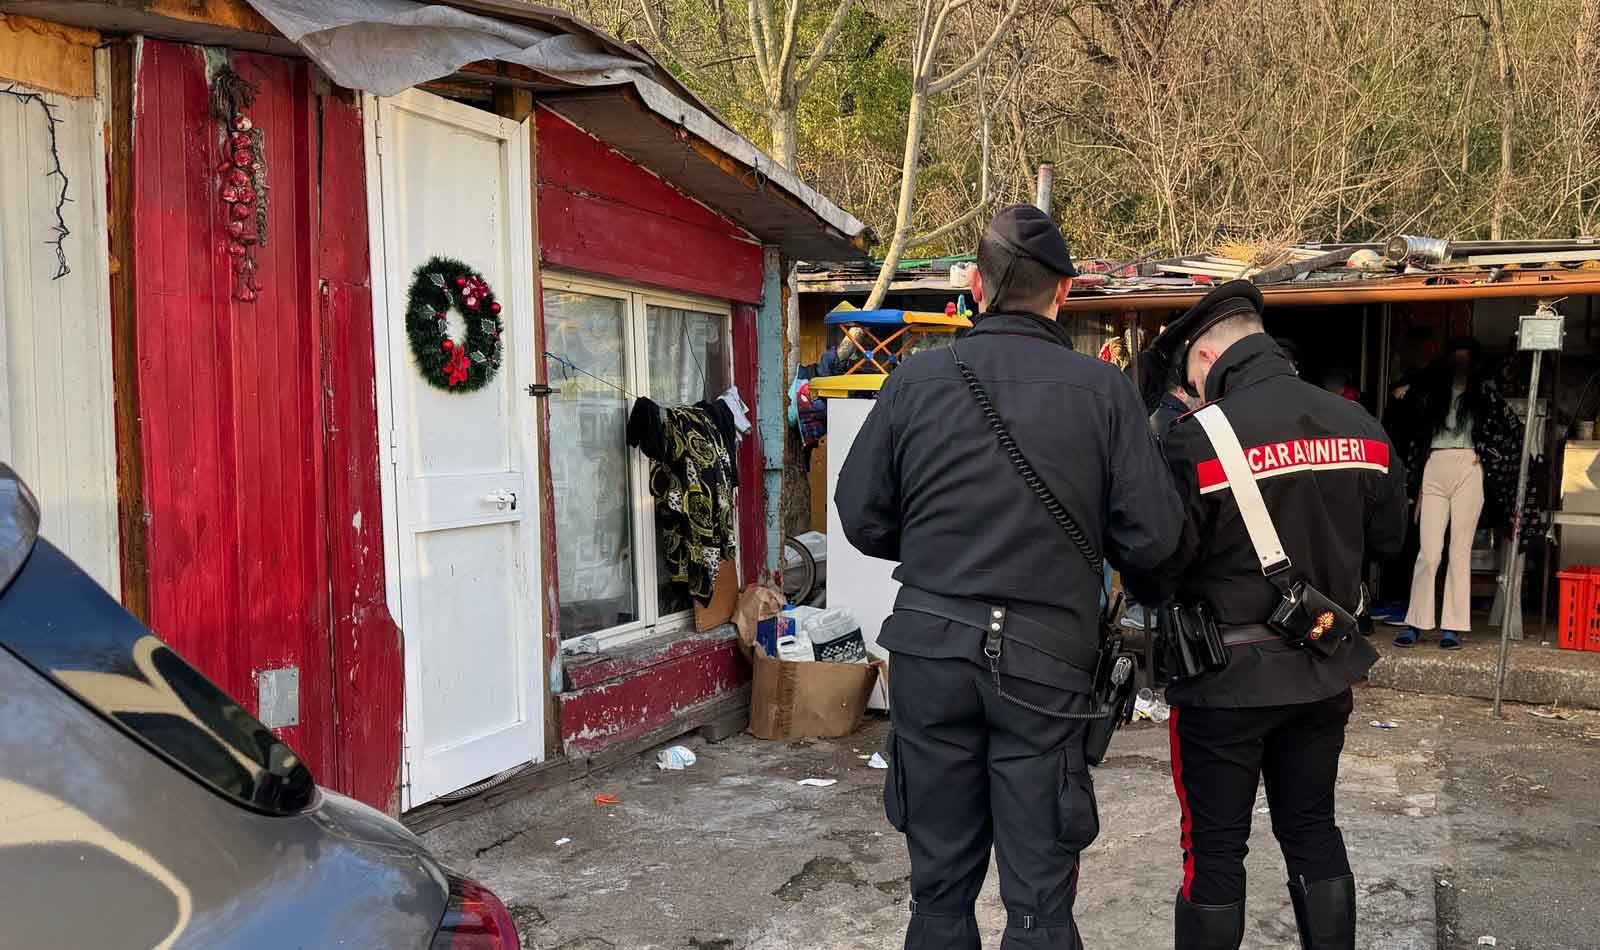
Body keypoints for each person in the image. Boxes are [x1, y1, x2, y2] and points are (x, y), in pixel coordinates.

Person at [836, 204, 1183, 950]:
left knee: (937, 901)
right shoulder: (1105, 392)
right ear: (1064, 292)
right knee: (1037, 909)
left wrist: (939, 549)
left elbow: (861, 518)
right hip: (1046, 665)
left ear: (973, 284)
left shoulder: (914, 380)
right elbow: (1154, 539)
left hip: (930, 652)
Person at [1126, 281, 1408, 950]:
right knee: (1313, 832)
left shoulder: (1195, 439)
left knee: (1215, 853)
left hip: (1224, 685)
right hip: (1322, 671)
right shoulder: (1362, 427)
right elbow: (1393, 542)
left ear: (1203, 357)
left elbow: (1155, 570)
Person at [1386, 338, 1523, 649]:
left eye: (1465, 360)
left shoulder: (1485, 394)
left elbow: (1511, 428)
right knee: (1429, 552)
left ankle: (1452, 626)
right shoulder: (1430, 392)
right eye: (1456, 359)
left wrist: (1487, 454)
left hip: (1468, 465)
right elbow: (1410, 427)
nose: (1460, 365)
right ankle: (1416, 622)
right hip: (1435, 464)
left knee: (1459, 551)